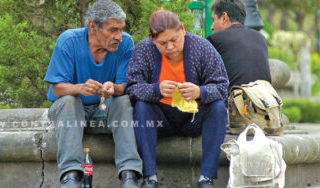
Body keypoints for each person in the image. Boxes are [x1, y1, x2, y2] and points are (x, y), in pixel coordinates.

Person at [43, 0, 142, 188]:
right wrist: (80, 88)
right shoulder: (68, 41)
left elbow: (124, 86)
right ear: (92, 27)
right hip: (72, 112)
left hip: (105, 110)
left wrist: (114, 87)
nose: (119, 36)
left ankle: (129, 176)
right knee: (69, 101)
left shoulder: (126, 43)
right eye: (113, 30)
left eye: (121, 30)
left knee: (124, 101)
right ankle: (71, 177)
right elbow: (57, 89)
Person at [126, 9, 229, 188]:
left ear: (182, 29)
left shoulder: (201, 47)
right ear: (152, 39)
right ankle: (150, 178)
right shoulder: (144, 49)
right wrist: (156, 89)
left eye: (174, 40)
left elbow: (222, 87)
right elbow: (132, 87)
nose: (170, 47)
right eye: (162, 43)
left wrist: (200, 92)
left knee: (218, 108)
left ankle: (206, 178)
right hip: (160, 119)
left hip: (193, 117)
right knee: (142, 107)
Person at [207, 0, 271, 90]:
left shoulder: (215, 39)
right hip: (264, 100)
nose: (212, 27)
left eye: (213, 20)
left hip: (235, 101)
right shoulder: (260, 38)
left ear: (224, 17)